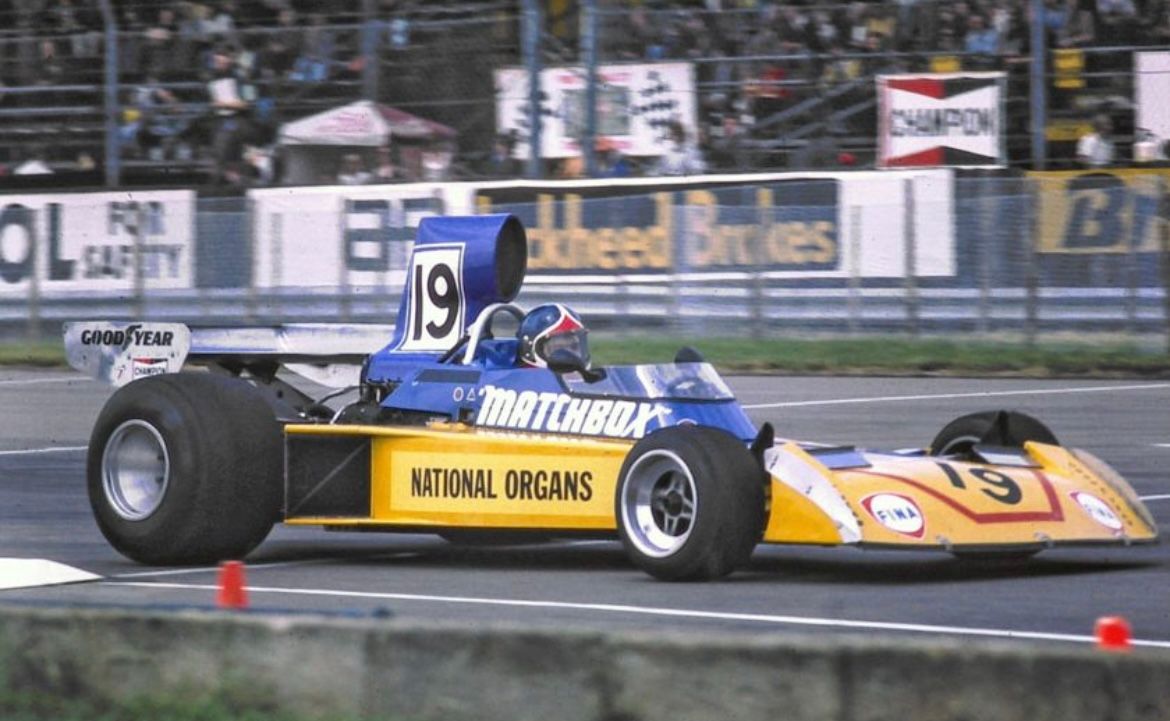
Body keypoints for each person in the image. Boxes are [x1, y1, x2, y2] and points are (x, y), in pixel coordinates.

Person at [517, 303, 591, 369]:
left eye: (573, 346)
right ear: (529, 348)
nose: (569, 355)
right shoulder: (520, 379)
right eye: (558, 349)